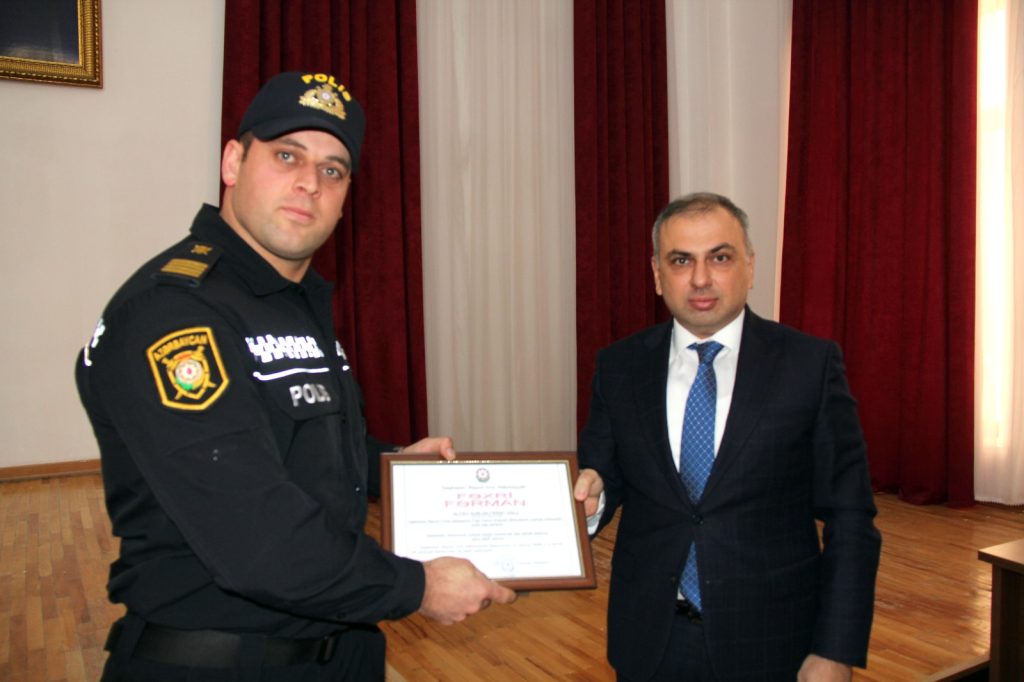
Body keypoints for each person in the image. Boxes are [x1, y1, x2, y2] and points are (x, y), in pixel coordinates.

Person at [75, 71, 515, 682]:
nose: (310, 182)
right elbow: (254, 537)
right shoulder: (173, 312)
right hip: (218, 663)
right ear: (233, 162)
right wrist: (416, 586)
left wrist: (390, 466)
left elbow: (294, 440)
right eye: (287, 156)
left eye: (333, 170)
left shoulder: (291, 300)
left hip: (334, 649)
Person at [573, 193, 880, 681]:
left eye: (719, 257)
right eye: (681, 261)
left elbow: (850, 517)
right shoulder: (619, 366)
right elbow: (604, 474)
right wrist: (593, 498)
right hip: (650, 640)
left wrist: (835, 650)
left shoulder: (810, 366)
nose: (700, 278)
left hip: (775, 643)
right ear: (657, 274)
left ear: (750, 266)